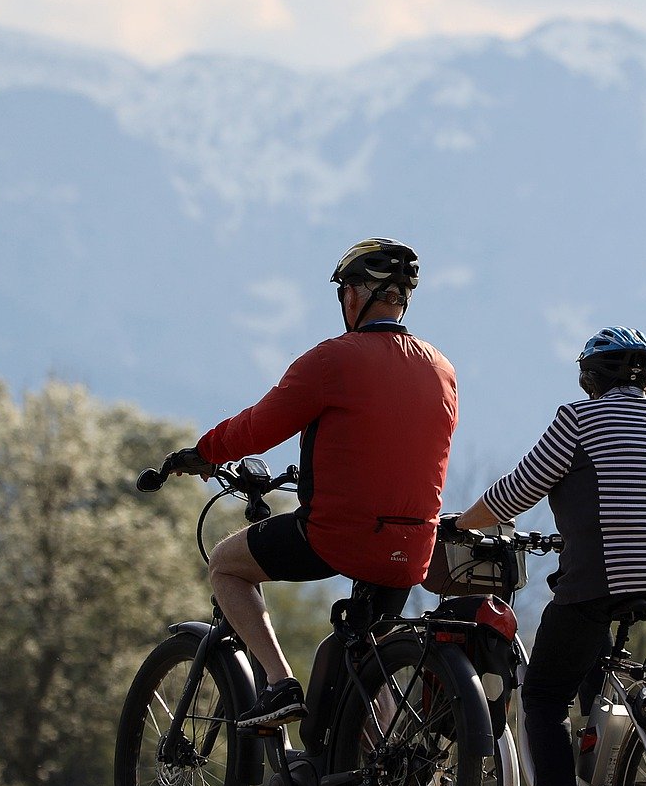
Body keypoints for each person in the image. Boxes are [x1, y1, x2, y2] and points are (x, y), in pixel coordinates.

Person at [165, 238, 459, 729]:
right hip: (413, 547)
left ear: (354, 296)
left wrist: (204, 452)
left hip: (338, 537)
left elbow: (260, 426)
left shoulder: (332, 360)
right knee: (364, 656)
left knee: (226, 565)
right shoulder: (442, 368)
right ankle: (380, 767)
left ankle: (280, 683)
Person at [449, 326, 646, 786]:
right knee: (593, 666)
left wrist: (463, 523)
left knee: (543, 695)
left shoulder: (579, 419)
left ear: (590, 378)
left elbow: (519, 489)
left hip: (607, 574)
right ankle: (623, 771)